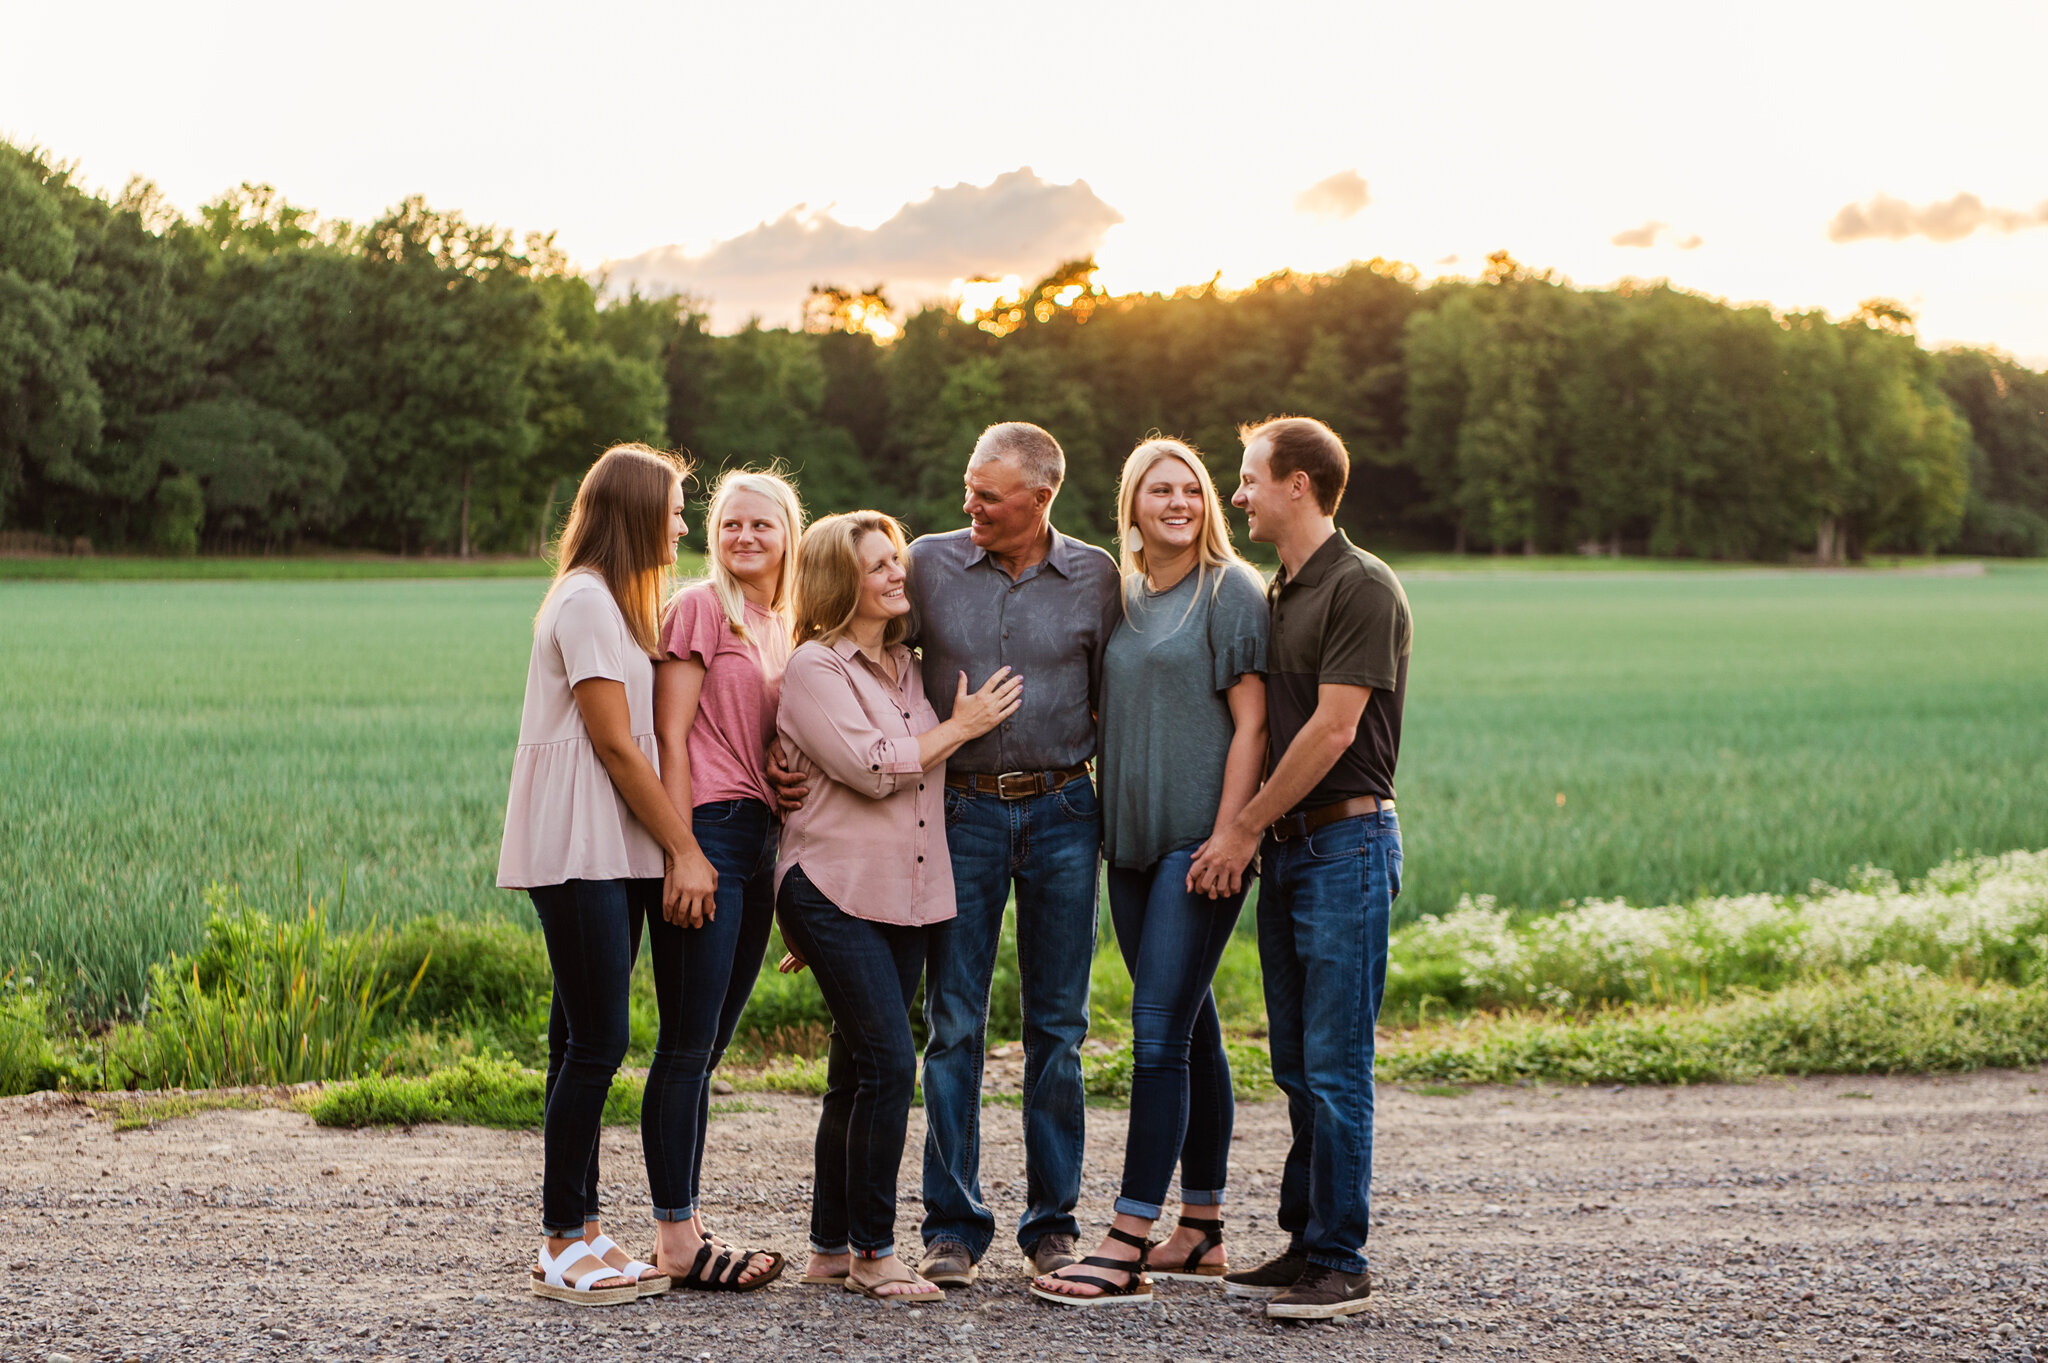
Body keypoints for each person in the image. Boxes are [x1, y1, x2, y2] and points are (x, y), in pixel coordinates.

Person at [498, 443, 780, 1306]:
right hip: (580, 845)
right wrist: (687, 850)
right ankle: (557, 1240)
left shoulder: (617, 606)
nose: (685, 524)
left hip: (611, 847)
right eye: (676, 508)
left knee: (573, 1042)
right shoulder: (585, 601)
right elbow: (617, 746)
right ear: (633, 510)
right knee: (597, 1043)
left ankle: (583, 1226)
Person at [1032, 438, 1268, 1307]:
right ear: (1130, 507)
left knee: (1157, 1028)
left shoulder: (1229, 592)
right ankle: (1201, 1226)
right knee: (1193, 1024)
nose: (1179, 502)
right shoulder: (1121, 597)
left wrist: (1234, 836)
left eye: (1192, 490)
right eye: (1159, 490)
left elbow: (1253, 726)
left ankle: (1128, 1234)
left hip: (1196, 847)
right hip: (1124, 846)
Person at [1188, 416, 1412, 1320]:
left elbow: (1332, 728)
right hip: (1292, 851)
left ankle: (1343, 1261)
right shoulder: (1281, 591)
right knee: (1294, 1061)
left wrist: (1240, 828)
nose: (1236, 495)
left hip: (1344, 844)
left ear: (1300, 486)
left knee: (1336, 1061)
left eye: (1248, 479)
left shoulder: (1362, 585)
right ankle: (1306, 1238)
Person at [773, 511, 1025, 1303]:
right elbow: (875, 768)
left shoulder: (908, 666)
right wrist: (966, 726)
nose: (897, 574)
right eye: (879, 565)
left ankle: (827, 1244)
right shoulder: (816, 667)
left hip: (907, 895)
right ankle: (875, 1251)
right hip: (831, 888)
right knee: (888, 1061)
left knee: (853, 1069)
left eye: (895, 561)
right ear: (839, 581)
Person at [903, 421, 1122, 1285]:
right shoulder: (927, 561)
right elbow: (862, 646)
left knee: (1058, 1029)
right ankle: (952, 1227)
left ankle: (1052, 1224)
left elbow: (1121, 696)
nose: (971, 507)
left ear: (1041, 497)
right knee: (952, 1023)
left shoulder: (1096, 577)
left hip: (1067, 812)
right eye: (968, 488)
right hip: (962, 812)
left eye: (988, 495)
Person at [645, 468, 804, 1290]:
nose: (744, 537)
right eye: (730, 524)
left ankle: (689, 1223)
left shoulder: (785, 623)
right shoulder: (699, 608)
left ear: (788, 534)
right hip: (707, 830)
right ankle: (677, 1238)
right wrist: (682, 850)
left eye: (760, 525)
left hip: (761, 842)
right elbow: (671, 735)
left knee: (708, 1047)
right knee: (684, 1044)